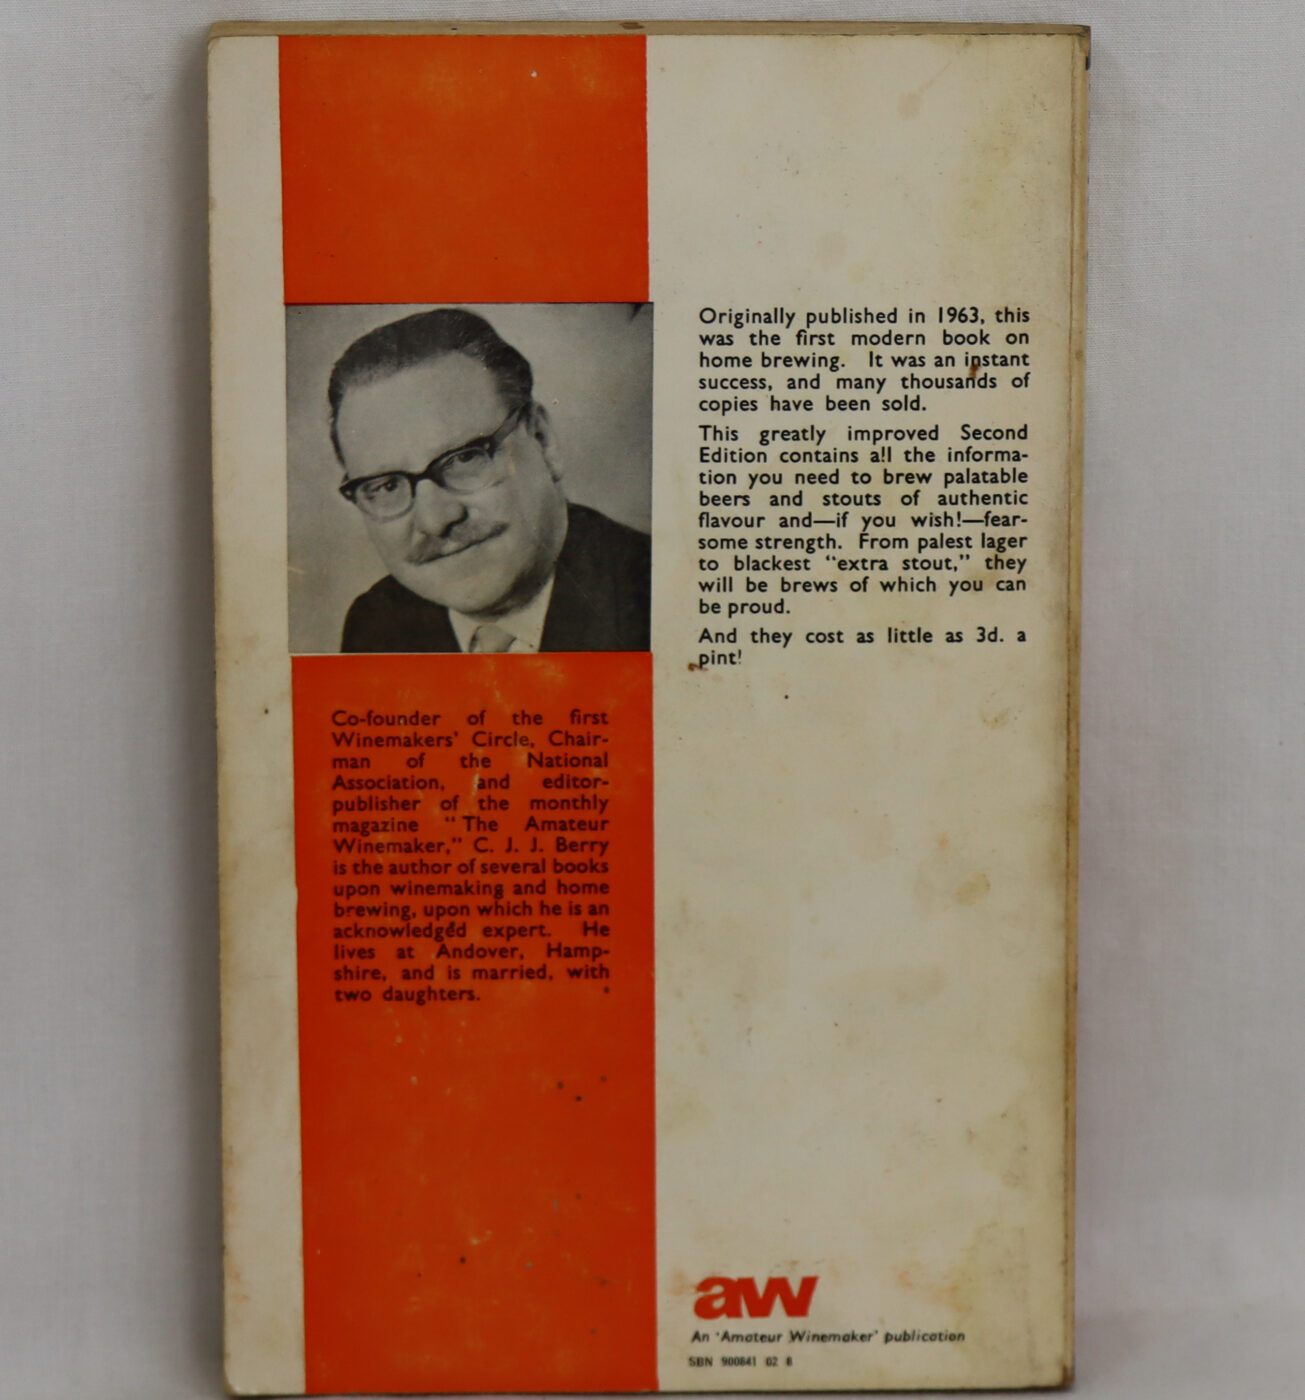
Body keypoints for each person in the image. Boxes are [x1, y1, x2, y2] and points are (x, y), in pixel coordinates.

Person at [328, 308, 650, 653]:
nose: (436, 521)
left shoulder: (658, 598)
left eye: (464, 458)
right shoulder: (377, 625)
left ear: (542, 440)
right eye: (386, 486)